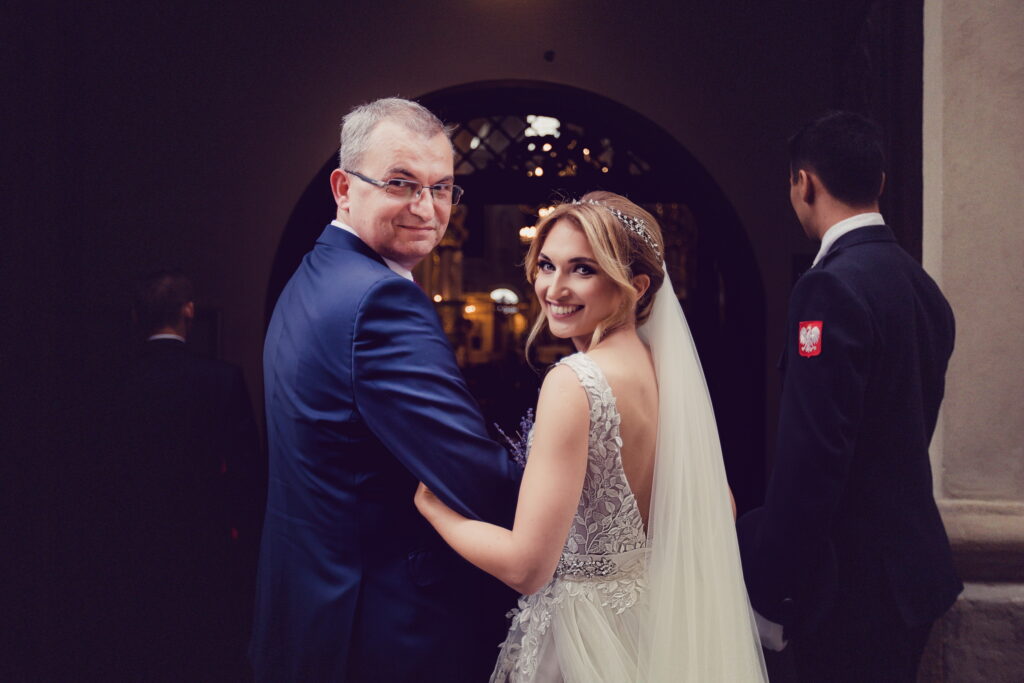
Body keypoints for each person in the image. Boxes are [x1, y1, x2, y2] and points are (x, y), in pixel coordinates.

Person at [415, 192, 768, 681]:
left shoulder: (575, 382)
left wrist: (435, 509)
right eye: (546, 265)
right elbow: (721, 509)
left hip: (580, 643)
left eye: (583, 269)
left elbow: (527, 568)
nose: (554, 288)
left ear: (636, 287)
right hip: (654, 628)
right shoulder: (665, 370)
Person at [251, 98, 521, 682]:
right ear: (344, 188)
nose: (426, 207)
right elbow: (475, 481)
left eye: (441, 188)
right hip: (381, 627)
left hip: (311, 610)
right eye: (401, 183)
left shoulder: (315, 274)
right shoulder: (381, 300)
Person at [737, 111, 961, 682]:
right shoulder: (921, 285)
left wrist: (774, 594)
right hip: (910, 573)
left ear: (803, 183)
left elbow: (812, 459)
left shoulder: (829, 287)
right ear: (880, 181)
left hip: (850, 588)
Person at [113, 270, 261, 678]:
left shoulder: (116, 382)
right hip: (206, 542)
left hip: (131, 541)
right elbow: (247, 474)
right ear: (189, 311)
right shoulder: (221, 379)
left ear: (137, 316)